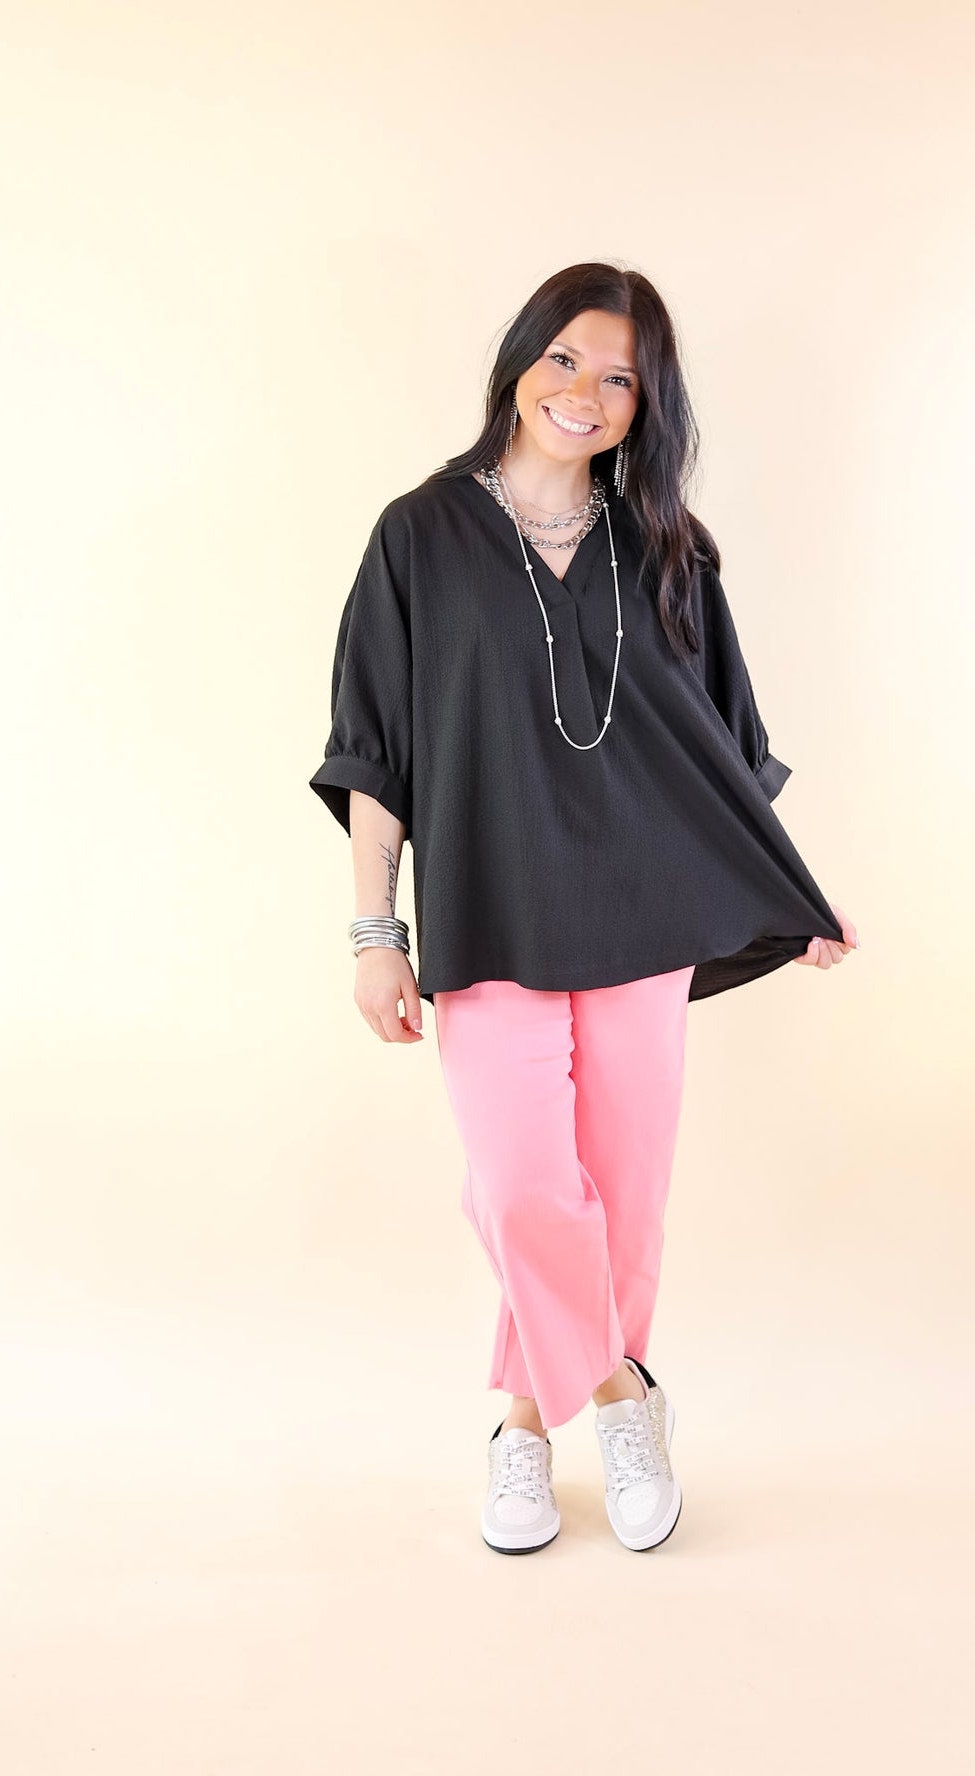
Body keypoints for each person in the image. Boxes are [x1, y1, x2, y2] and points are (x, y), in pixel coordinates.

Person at [309, 261, 858, 1556]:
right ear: (519, 359)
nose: (585, 393)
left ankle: (520, 1427)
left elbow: (719, 745)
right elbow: (377, 750)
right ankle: (620, 1393)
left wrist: (785, 890)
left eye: (619, 378)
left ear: (644, 404)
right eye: (565, 359)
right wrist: (377, 933)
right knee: (519, 1186)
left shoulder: (667, 547)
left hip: (641, 919)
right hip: (490, 913)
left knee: (624, 1193)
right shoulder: (419, 535)